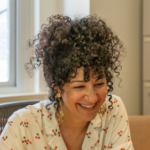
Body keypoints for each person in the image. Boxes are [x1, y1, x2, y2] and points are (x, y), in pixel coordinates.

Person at [0, 14, 134, 150]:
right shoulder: (21, 125)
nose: (92, 97)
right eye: (79, 86)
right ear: (56, 85)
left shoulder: (113, 109)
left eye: (99, 84)